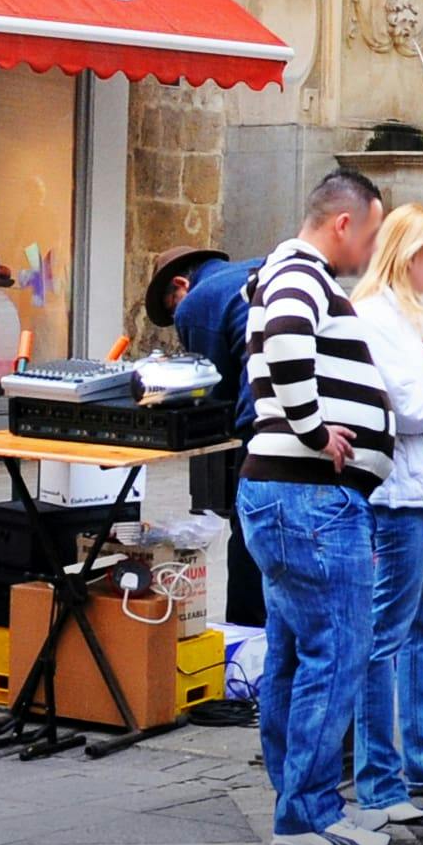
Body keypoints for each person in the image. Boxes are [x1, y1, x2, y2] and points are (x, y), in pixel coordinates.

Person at [237, 173, 398, 845]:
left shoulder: (286, 271)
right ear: (342, 223)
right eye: (370, 230)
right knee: (337, 653)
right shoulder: (300, 273)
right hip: (309, 497)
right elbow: (285, 338)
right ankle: (304, 814)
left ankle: (300, 801)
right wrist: (314, 429)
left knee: (298, 655)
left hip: (291, 497)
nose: (370, 247)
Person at [350, 201, 423, 822]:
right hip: (401, 491)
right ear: (411, 253)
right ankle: (380, 779)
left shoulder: (418, 315)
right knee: (386, 636)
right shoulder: (376, 317)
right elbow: (411, 410)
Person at [147, 244, 267, 629]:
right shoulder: (257, 266)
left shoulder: (198, 300)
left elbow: (217, 392)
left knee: (248, 527)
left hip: (266, 422)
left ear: (182, 284)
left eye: (172, 310)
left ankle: (247, 631)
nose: (179, 321)